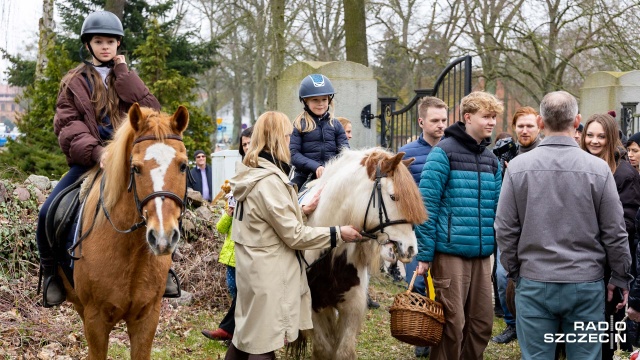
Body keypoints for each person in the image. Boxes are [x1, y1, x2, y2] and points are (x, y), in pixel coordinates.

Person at [36, 10, 162, 307]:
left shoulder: (128, 77)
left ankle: (165, 273)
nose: (105, 46)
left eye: (111, 41)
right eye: (99, 41)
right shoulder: (74, 81)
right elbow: (68, 125)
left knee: (160, 206)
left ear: (118, 45)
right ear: (89, 44)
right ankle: (51, 274)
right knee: (47, 212)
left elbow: (152, 112)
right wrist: (97, 151)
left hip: (129, 164)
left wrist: (124, 76)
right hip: (89, 161)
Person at [496, 91, 632, 360]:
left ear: (540, 122)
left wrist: (515, 270)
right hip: (585, 283)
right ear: (577, 121)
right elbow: (615, 232)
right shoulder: (599, 169)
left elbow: (504, 228)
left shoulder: (517, 167)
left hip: (534, 280)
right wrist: (620, 276)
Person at [226, 111, 361, 359]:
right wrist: (338, 233)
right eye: (288, 135)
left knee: (243, 340)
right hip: (268, 274)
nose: (292, 141)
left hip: (253, 269)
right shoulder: (269, 181)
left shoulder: (253, 173)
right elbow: (295, 236)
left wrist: (300, 210)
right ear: (276, 138)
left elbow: (265, 219)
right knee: (262, 348)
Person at [415, 91, 503, 359]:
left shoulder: (491, 160)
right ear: (468, 117)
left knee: (482, 324)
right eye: (486, 116)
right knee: (453, 324)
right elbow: (427, 206)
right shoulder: (443, 153)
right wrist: (425, 255)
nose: (491, 122)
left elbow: (499, 209)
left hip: (481, 255)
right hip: (450, 252)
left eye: (494, 117)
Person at [580, 113, 640, 359]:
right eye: (590, 135)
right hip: (578, 260)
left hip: (606, 263)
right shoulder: (579, 164)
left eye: (601, 136)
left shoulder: (624, 174)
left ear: (611, 138)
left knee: (603, 331)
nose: (595, 141)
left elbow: (626, 225)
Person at [398, 96, 447, 358]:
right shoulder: (408, 154)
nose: (441, 125)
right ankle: (423, 336)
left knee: (443, 287)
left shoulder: (451, 150)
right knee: (416, 284)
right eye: (435, 120)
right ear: (421, 121)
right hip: (415, 233)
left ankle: (441, 334)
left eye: (444, 120)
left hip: (446, 231)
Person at [492, 106, 542, 345]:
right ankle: (512, 324)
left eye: (529, 125)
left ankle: (532, 329)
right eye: (520, 126)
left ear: (539, 126)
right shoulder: (507, 155)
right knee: (503, 278)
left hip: (536, 229)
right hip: (510, 227)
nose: (525, 130)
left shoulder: (544, 153)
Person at [202, 126, 253, 342]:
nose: (248, 147)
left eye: (251, 143)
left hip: (248, 249)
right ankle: (235, 332)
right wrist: (229, 213)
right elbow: (221, 228)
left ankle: (234, 333)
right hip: (230, 252)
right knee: (234, 290)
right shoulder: (237, 178)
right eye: (244, 145)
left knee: (245, 292)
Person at [289, 74, 349, 190]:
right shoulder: (299, 125)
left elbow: (344, 151)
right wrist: (315, 167)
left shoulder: (336, 125)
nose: (320, 103)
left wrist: (331, 168)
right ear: (305, 101)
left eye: (324, 99)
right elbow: (294, 155)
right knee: (290, 195)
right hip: (305, 175)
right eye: (315, 100)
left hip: (332, 175)